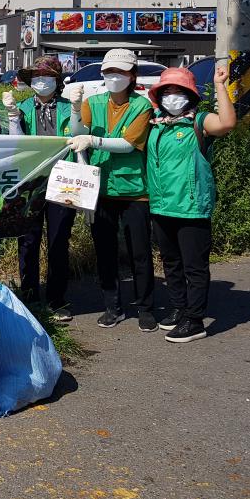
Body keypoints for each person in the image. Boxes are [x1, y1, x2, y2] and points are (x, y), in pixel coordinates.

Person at [67, 48, 156, 331]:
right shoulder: (92, 102)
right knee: (104, 251)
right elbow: (75, 132)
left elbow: (129, 144)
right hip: (100, 188)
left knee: (139, 252)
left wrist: (93, 141)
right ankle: (112, 306)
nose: (113, 77)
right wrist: (74, 109)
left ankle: (145, 308)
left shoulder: (142, 106)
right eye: (109, 72)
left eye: (120, 72)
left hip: (134, 190)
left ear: (132, 75)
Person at [146, 65, 235, 343]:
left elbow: (227, 123)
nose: (172, 96)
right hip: (161, 205)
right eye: (167, 91)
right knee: (171, 262)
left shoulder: (200, 121)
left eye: (179, 91)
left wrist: (220, 85)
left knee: (194, 266)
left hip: (191, 206)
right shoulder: (156, 123)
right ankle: (178, 308)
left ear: (190, 96)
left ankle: (195, 320)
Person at [4, 56, 76, 321]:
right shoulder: (21, 108)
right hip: (31, 182)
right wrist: (12, 117)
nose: (41, 81)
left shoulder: (71, 107)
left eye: (46, 76)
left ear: (57, 81)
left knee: (58, 241)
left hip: (64, 180)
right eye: (36, 77)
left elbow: (79, 134)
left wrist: (78, 110)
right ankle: (31, 299)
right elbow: (15, 146)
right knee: (28, 241)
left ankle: (57, 300)